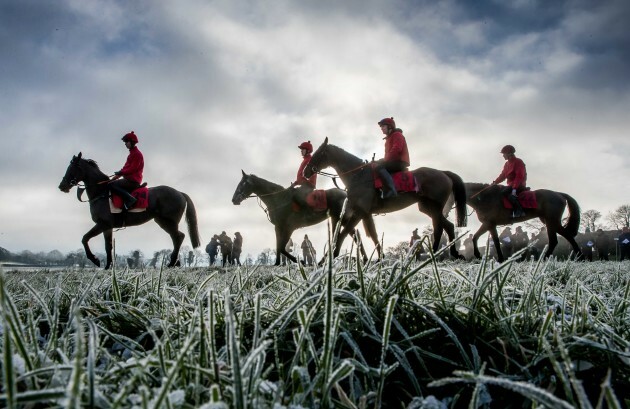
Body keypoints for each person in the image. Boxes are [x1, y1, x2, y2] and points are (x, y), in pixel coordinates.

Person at [109, 131, 144, 210]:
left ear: (132, 142)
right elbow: (125, 168)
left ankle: (130, 199)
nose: (125, 144)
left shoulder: (137, 154)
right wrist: (115, 177)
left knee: (111, 185)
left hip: (133, 181)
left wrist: (121, 172)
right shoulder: (131, 154)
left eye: (126, 142)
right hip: (128, 180)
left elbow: (133, 168)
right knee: (111, 183)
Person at [376, 117, 410, 199]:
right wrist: (382, 160)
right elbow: (389, 154)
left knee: (379, 167)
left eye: (383, 126)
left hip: (400, 161)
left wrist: (384, 161)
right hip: (393, 161)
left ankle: (391, 191)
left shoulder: (397, 135)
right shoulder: (389, 138)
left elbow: (396, 149)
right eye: (381, 127)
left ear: (389, 126)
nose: (381, 129)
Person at [492, 145, 526, 218]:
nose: (503, 156)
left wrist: (514, 188)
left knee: (504, 192)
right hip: (510, 185)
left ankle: (519, 211)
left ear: (509, 154)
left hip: (519, 184)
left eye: (504, 154)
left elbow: (519, 176)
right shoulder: (506, 164)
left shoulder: (518, 161)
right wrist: (495, 182)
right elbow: (503, 175)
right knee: (498, 191)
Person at [291, 141, 318, 210]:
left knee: (296, 196)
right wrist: (295, 183)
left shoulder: (309, 160)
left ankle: (307, 216)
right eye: (301, 149)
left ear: (308, 151)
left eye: (303, 149)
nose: (301, 151)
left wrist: (299, 182)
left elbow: (307, 175)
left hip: (308, 185)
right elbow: (301, 175)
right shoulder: (305, 160)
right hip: (305, 184)